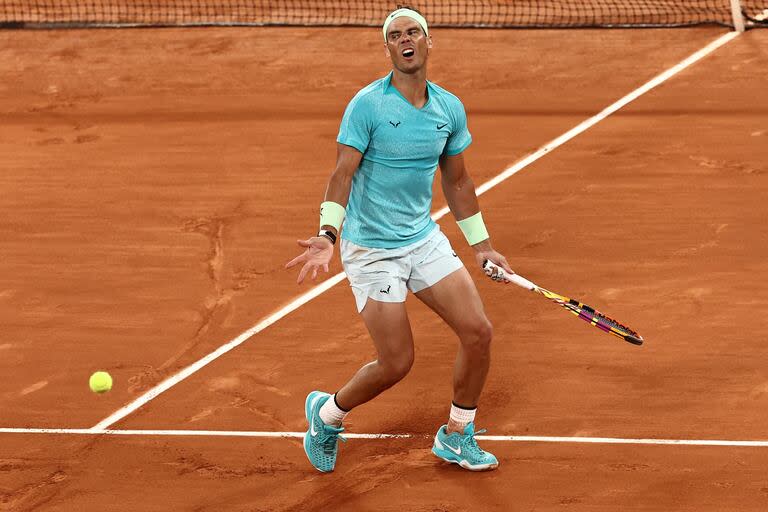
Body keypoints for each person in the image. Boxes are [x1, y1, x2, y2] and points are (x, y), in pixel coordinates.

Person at [285, 6, 514, 473]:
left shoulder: (448, 108)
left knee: (478, 332)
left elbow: (458, 182)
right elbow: (341, 174)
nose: (406, 40)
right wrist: (329, 234)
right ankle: (327, 415)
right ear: (387, 48)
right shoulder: (368, 105)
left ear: (429, 42)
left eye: (413, 32)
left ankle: (456, 434)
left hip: (422, 238)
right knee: (396, 363)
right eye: (395, 36)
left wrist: (482, 246)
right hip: (371, 250)